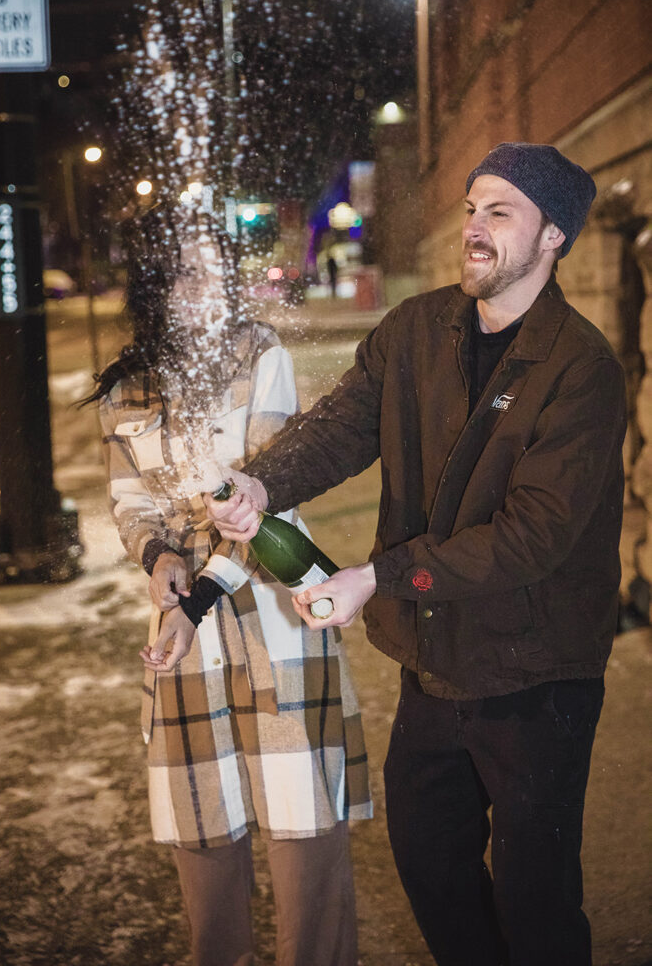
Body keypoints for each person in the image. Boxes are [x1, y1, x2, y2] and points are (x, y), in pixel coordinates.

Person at [204, 143, 627, 966]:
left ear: (552, 238)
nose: (474, 227)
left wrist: (378, 578)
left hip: (536, 673)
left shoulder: (582, 369)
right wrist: (260, 483)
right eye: (471, 207)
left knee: (535, 896)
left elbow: (533, 534)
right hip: (434, 658)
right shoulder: (415, 330)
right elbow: (341, 429)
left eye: (499, 212)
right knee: (431, 863)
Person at [86, 209, 372, 966]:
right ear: (155, 283)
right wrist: (156, 559)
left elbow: (265, 497)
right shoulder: (128, 388)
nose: (205, 286)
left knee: (301, 819)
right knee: (201, 817)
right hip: (183, 624)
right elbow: (131, 502)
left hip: (274, 611)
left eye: (216, 268)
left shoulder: (260, 354)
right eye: (186, 271)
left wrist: (200, 591)